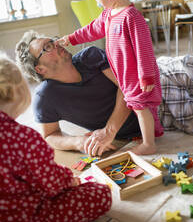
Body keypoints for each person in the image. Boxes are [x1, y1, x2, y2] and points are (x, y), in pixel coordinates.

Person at [57, 0, 164, 155]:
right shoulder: (108, 15)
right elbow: (92, 30)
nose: (94, 0)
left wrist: (147, 75)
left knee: (141, 107)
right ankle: (152, 132)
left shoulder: (132, 17)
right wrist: (71, 38)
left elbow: (145, 49)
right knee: (136, 105)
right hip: (124, 75)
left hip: (137, 76)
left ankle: (149, 144)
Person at [0, 51, 112, 222]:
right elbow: (50, 182)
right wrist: (70, 180)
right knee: (101, 193)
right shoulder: (23, 137)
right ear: (17, 93)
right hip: (22, 220)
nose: (57, 45)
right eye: (46, 48)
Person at [15, 30, 143, 157]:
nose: (57, 44)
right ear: (40, 69)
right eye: (47, 47)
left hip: (150, 99)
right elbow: (49, 135)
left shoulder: (91, 56)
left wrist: (109, 130)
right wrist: (78, 142)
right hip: (127, 137)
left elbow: (128, 87)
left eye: (52, 41)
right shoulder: (44, 98)